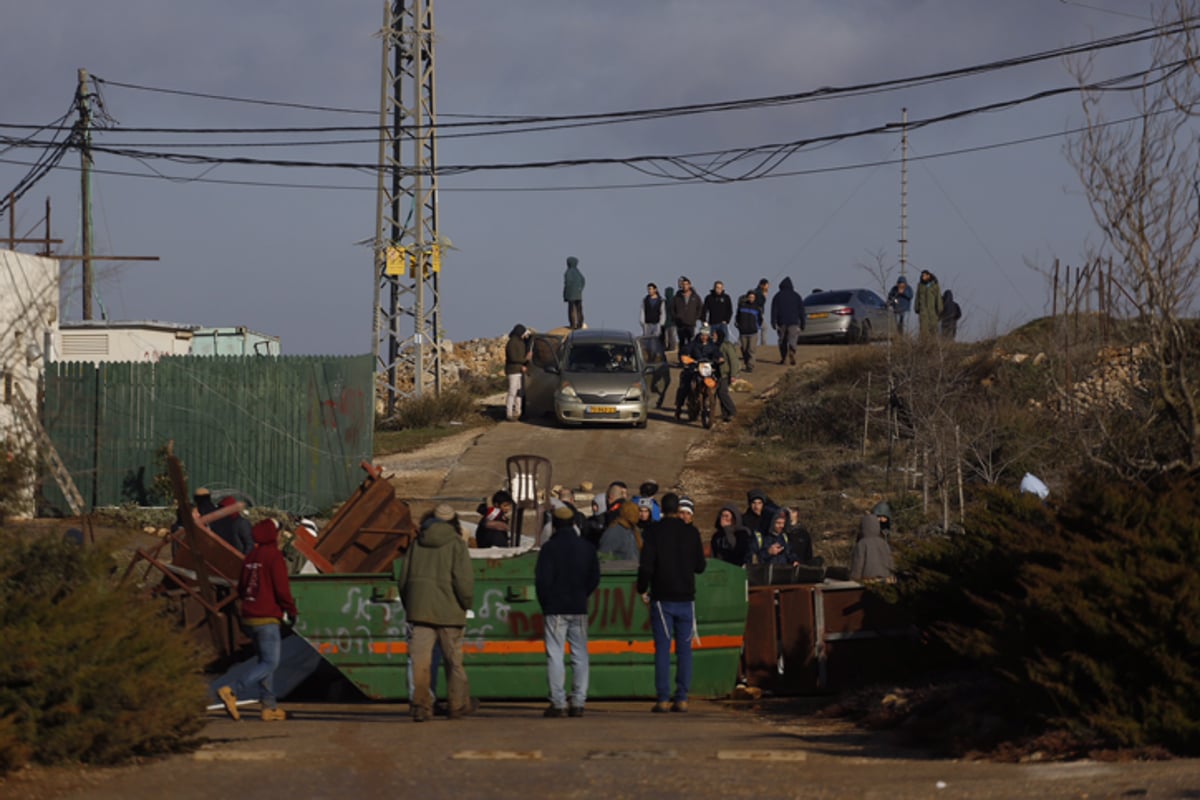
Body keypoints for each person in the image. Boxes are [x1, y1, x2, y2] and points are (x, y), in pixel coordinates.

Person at [397, 504, 476, 722]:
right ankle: (457, 705)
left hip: (419, 611)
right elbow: (464, 580)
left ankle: (421, 706)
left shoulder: (416, 544)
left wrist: (410, 605)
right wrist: (466, 603)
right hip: (450, 612)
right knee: (454, 662)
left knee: (420, 661)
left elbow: (403, 578)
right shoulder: (456, 545)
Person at [216, 518, 297, 722]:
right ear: (273, 535)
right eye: (278, 532)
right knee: (270, 663)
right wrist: (291, 610)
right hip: (266, 618)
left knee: (263, 662)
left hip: (250, 616)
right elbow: (282, 590)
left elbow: (242, 588)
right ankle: (232, 690)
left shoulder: (250, 557)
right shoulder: (274, 557)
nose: (280, 536)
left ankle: (269, 707)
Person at [637, 493, 707, 713]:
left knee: (663, 649)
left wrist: (641, 587)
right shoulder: (691, 533)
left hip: (662, 597)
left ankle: (663, 698)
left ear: (661, 510)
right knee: (685, 649)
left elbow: (646, 565)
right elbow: (700, 566)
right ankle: (683, 696)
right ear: (678, 509)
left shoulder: (653, 532)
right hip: (686, 597)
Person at [536, 503, 601, 718]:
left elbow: (542, 582)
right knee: (580, 654)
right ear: (574, 524)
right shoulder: (587, 548)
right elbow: (594, 578)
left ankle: (558, 703)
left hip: (555, 608)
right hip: (578, 606)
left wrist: (546, 604)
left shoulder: (549, 549)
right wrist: (583, 595)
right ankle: (579, 702)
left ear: (554, 525)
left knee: (555, 655)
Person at [673, 325, 721, 419]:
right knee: (685, 385)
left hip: (707, 369)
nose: (704, 337)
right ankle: (679, 407)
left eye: (706, 335)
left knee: (719, 383)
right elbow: (685, 349)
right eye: (703, 334)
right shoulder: (694, 343)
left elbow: (717, 353)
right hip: (694, 368)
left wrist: (719, 358)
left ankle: (713, 407)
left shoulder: (712, 346)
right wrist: (686, 356)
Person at [850, 508, 895, 582]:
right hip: (885, 579)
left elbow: (858, 563)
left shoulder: (862, 544)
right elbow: (890, 561)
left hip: (869, 579)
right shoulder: (884, 543)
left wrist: (854, 578)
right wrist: (891, 576)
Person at [770, 277, 805, 365]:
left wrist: (773, 322)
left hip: (781, 322)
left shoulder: (777, 296)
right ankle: (792, 351)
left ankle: (783, 357)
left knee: (782, 340)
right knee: (793, 338)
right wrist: (803, 322)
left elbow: (774, 310)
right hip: (794, 321)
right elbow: (801, 311)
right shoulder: (797, 296)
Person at [504, 324, 532, 421]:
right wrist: (525, 360)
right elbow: (513, 358)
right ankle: (509, 413)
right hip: (513, 371)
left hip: (519, 370)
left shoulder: (521, 342)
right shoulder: (512, 343)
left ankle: (517, 412)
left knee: (519, 392)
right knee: (512, 392)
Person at [670, 276, 703, 353]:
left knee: (691, 342)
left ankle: (690, 358)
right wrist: (675, 318)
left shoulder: (695, 297)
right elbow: (672, 309)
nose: (685, 286)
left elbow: (700, 307)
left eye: (686, 284)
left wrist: (696, 317)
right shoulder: (677, 297)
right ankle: (681, 359)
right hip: (680, 324)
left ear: (690, 285)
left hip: (691, 323)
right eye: (683, 284)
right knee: (681, 342)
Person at [715, 327, 739, 422]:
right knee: (720, 393)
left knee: (722, 392)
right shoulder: (714, 346)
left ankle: (732, 411)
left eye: (715, 334)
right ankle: (725, 415)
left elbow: (733, 361)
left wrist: (733, 375)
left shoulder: (726, 346)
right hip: (717, 374)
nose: (713, 335)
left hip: (726, 373)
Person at [735, 291, 761, 373]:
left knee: (751, 349)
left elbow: (760, 319)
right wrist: (739, 326)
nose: (751, 299)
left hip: (753, 332)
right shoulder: (742, 306)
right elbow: (737, 317)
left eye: (753, 297)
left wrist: (757, 327)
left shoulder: (757, 308)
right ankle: (747, 363)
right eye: (750, 297)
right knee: (745, 349)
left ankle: (750, 366)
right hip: (743, 332)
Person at [914, 269, 944, 339]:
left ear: (928, 276)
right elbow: (917, 297)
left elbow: (938, 298)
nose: (922, 277)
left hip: (932, 312)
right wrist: (916, 308)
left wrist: (940, 309)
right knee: (923, 330)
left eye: (924, 275)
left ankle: (933, 346)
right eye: (922, 275)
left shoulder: (935, 286)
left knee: (933, 330)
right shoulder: (920, 286)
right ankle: (923, 345)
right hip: (923, 312)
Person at [563, 256, 586, 329]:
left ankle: (573, 324)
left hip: (571, 295)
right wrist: (580, 289)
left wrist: (565, 294)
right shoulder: (578, 272)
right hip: (578, 295)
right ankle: (580, 323)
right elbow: (583, 281)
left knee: (571, 309)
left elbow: (567, 283)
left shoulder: (568, 272)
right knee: (579, 309)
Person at [750, 278, 770, 347]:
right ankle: (763, 344)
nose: (768, 287)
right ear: (763, 285)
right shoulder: (759, 293)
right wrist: (764, 296)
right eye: (767, 285)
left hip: (756, 314)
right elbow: (760, 303)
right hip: (756, 314)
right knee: (764, 327)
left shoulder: (756, 291)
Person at [662, 284, 677, 351]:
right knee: (670, 337)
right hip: (668, 322)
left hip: (671, 322)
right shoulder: (665, 302)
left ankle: (671, 348)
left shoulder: (673, 301)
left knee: (670, 337)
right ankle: (670, 348)